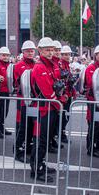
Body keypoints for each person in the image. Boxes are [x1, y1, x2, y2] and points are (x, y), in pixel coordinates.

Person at [29, 37, 68, 182]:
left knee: (44, 140)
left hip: (50, 108)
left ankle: (40, 164)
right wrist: (59, 100)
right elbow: (47, 92)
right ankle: (36, 170)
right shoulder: (40, 67)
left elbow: (56, 84)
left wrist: (61, 95)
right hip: (42, 109)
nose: (50, 52)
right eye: (47, 50)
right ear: (40, 51)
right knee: (40, 140)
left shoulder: (51, 65)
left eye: (52, 49)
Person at [84, 45, 99, 158]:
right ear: (95, 55)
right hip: (94, 100)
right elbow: (92, 84)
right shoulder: (91, 68)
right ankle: (90, 148)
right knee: (93, 124)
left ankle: (98, 144)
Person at [14, 40, 36, 163]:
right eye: (28, 51)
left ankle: (27, 147)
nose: (30, 53)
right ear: (23, 52)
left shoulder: (36, 64)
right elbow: (18, 83)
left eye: (32, 51)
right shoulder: (19, 66)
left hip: (33, 101)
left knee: (31, 126)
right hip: (23, 101)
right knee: (23, 127)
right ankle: (18, 150)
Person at [0, 47, 13, 138]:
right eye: (3, 55)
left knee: (5, 111)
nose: (5, 57)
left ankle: (1, 126)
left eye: (7, 55)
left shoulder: (10, 65)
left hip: (7, 91)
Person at [59, 45, 77, 143]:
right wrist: (65, 94)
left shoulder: (67, 65)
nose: (67, 56)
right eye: (65, 54)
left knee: (67, 116)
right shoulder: (60, 65)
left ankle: (61, 132)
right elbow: (62, 82)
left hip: (68, 94)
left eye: (68, 54)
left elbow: (69, 81)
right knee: (63, 116)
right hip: (64, 95)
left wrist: (73, 91)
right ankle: (61, 134)